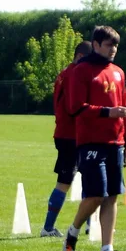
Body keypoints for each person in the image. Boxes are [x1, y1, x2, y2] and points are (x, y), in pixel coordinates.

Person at [63, 26, 126, 251]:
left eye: (116, 46)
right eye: (108, 45)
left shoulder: (118, 72)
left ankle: (107, 249)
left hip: (116, 142)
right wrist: (107, 112)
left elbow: (124, 110)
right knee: (95, 195)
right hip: (91, 141)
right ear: (95, 45)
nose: (113, 49)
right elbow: (75, 107)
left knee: (112, 195)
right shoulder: (81, 71)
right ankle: (73, 231)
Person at [41, 41, 93, 237]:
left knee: (79, 179)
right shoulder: (74, 74)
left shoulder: (64, 73)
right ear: (80, 57)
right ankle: (48, 227)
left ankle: (87, 225)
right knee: (74, 180)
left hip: (64, 133)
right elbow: (75, 107)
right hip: (73, 134)